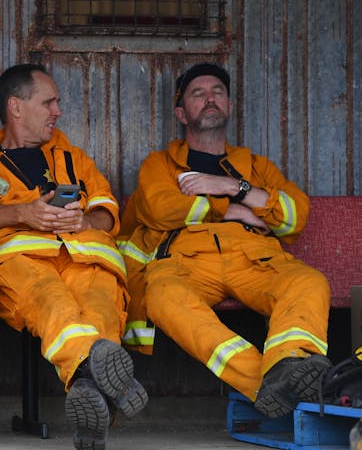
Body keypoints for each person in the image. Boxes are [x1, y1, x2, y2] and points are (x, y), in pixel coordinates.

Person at [0, 63, 148, 450]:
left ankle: (88, 387)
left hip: (88, 258)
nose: (58, 111)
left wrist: (83, 220)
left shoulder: (74, 157)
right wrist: (23, 212)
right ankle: (102, 383)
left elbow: (109, 212)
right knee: (55, 305)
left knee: (101, 312)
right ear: (16, 107)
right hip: (22, 262)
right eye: (49, 102)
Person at [119, 62, 331, 418]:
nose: (210, 98)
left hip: (255, 259)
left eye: (218, 91)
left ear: (229, 105)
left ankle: (290, 363)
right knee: (163, 297)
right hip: (185, 261)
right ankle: (268, 383)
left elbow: (295, 215)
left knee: (309, 281)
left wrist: (234, 186)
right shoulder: (161, 164)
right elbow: (161, 209)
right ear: (181, 113)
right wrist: (233, 208)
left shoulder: (257, 166)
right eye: (197, 94)